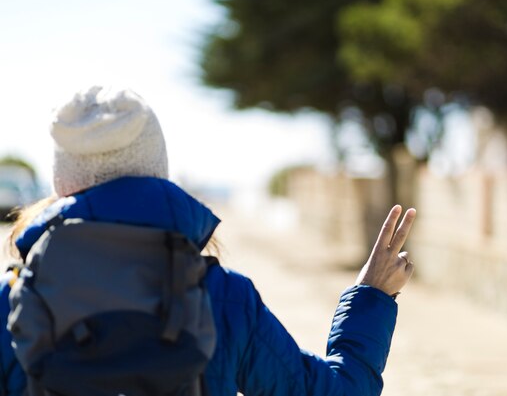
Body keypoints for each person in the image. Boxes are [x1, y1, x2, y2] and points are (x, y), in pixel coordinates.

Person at [0, 86, 416, 396]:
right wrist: (371, 297)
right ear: (156, 172)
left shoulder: (12, 299)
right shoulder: (222, 296)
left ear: (62, 184)